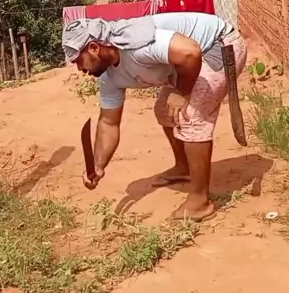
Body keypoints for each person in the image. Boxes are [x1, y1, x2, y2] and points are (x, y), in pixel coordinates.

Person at [62, 12, 247, 222]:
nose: (79, 68)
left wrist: (182, 92)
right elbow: (108, 123)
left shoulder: (137, 44)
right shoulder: (108, 77)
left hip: (218, 46)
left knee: (189, 115)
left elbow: (190, 52)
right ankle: (184, 167)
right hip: (187, 61)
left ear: (94, 48)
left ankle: (199, 202)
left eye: (79, 60)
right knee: (164, 110)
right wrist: (98, 165)